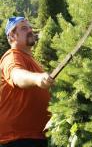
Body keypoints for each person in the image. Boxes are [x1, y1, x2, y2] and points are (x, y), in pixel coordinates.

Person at [0, 17, 54, 147]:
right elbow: (17, 75)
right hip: (18, 139)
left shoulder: (31, 60)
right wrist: (37, 78)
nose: (30, 30)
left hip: (36, 137)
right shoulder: (12, 57)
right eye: (24, 28)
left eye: (30, 27)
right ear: (12, 35)